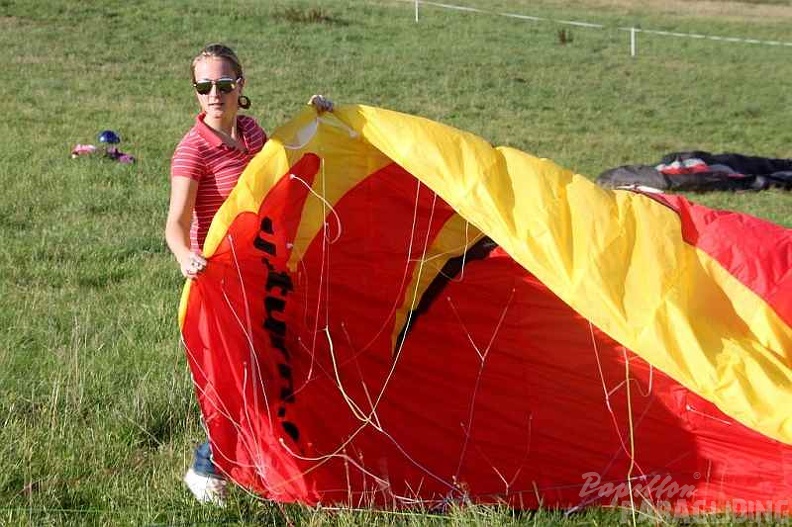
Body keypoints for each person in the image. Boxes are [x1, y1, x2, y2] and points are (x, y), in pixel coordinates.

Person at [165, 43, 332, 506]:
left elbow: (281, 165)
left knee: (281, 369)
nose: (214, 94)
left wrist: (315, 120)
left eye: (223, 84)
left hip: (262, 275)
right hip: (218, 283)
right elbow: (175, 224)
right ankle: (206, 467)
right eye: (204, 86)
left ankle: (260, 463)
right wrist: (185, 256)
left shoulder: (252, 132)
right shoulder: (192, 150)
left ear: (241, 86)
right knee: (242, 383)